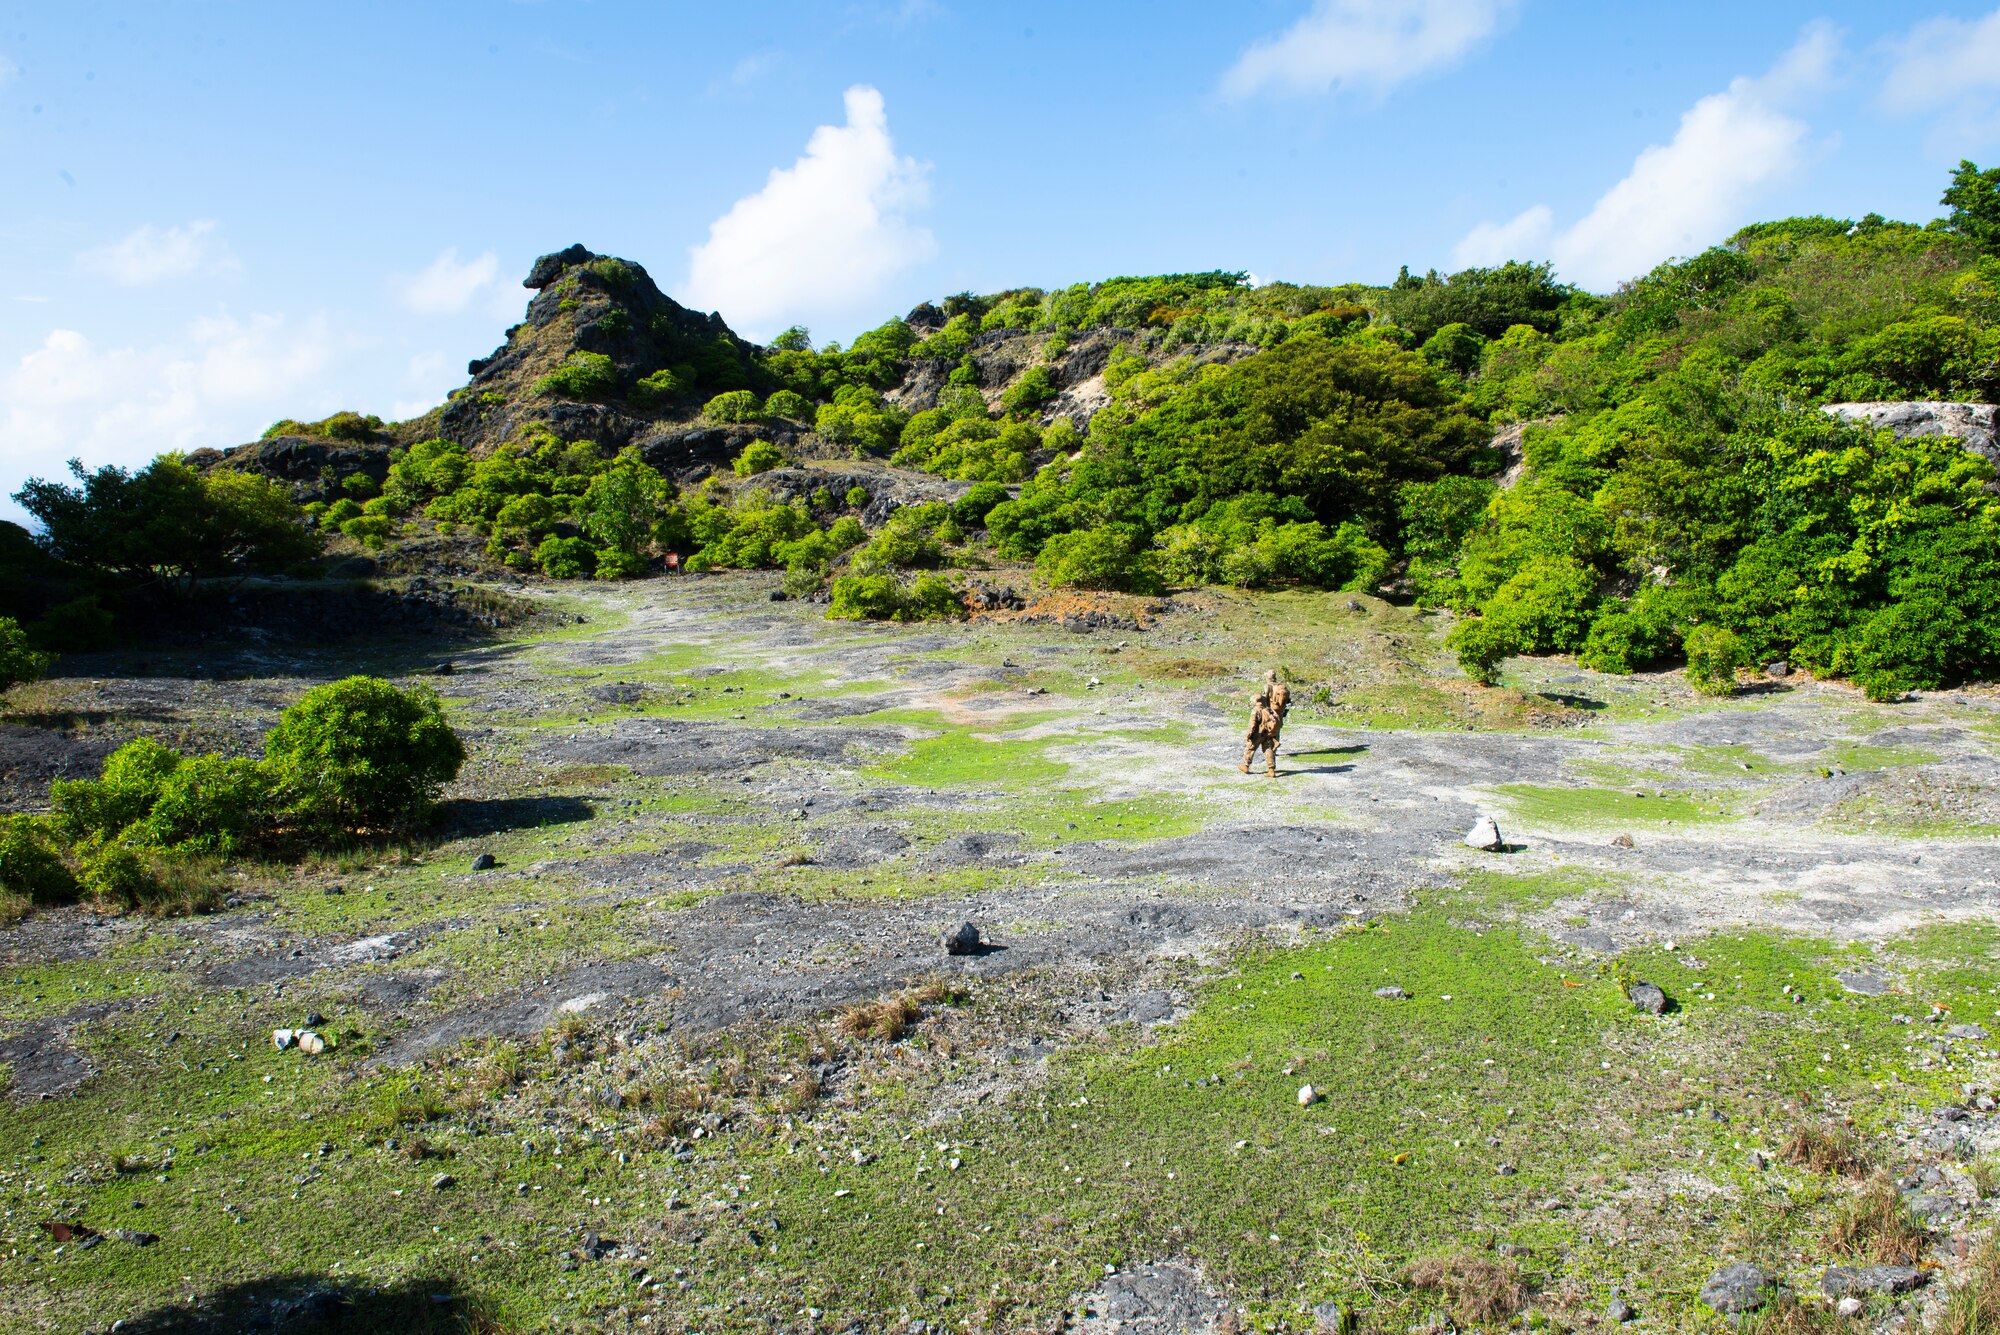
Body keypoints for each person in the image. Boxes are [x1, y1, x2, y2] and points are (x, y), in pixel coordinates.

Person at [1241, 669, 1289, 776]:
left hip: (1265, 719)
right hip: (1276, 717)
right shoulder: (1281, 687)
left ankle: (1246, 765)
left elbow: (1253, 724)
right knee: (1269, 743)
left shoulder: (1267, 688)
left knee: (1251, 746)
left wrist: (1249, 734)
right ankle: (1271, 767)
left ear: (1267, 677)